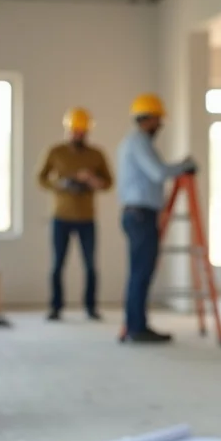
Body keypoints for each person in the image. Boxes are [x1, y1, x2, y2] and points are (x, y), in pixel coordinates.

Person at [116, 93, 196, 344]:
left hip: (137, 214)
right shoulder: (139, 141)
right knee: (141, 273)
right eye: (158, 119)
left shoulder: (134, 142)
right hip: (140, 215)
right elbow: (157, 172)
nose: (160, 125)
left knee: (139, 272)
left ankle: (135, 325)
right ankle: (136, 328)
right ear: (148, 119)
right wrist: (183, 166)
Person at [37, 107, 114, 322]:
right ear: (68, 130)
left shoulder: (96, 154)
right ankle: (55, 307)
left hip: (87, 218)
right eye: (75, 131)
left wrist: (93, 181)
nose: (79, 135)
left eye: (83, 131)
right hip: (60, 217)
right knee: (57, 264)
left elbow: (108, 183)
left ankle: (91, 307)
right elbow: (41, 178)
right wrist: (61, 183)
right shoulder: (55, 152)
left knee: (90, 265)